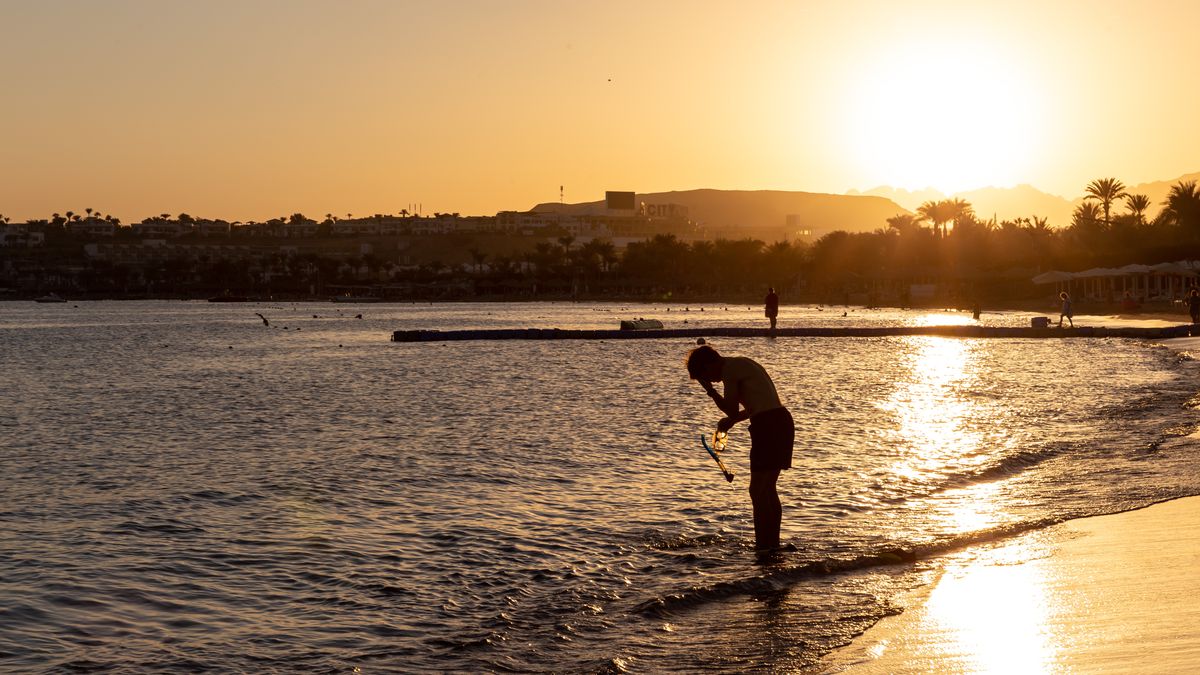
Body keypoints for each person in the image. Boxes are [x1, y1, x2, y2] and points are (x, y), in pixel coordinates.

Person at [686, 344, 794, 558]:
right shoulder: (741, 363)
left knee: (758, 490)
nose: (712, 380)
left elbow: (730, 408)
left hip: (769, 424)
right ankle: (772, 545)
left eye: (705, 375)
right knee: (767, 489)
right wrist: (732, 421)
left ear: (709, 363)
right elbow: (755, 406)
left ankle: (764, 546)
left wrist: (709, 390)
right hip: (778, 420)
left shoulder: (730, 370)